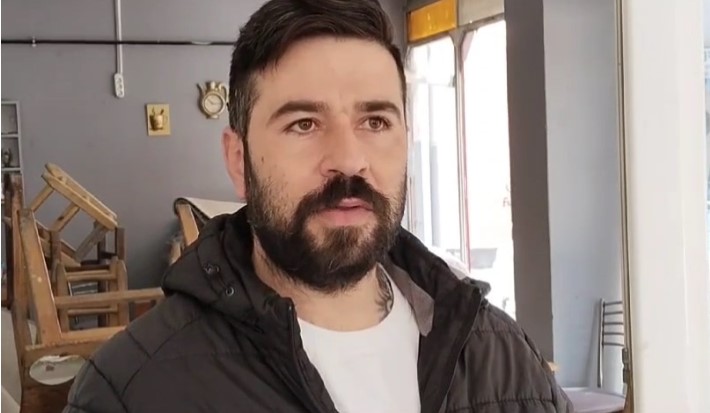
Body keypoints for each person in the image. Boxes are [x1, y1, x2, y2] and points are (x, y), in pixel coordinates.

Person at [64, 0, 572, 412]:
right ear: (240, 161)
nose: (348, 160)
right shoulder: (132, 389)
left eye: (375, 122)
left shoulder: (499, 356)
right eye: (304, 124)